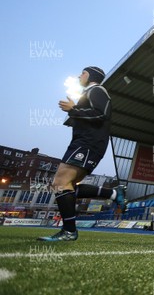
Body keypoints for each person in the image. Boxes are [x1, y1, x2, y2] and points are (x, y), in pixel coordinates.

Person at [38, 67, 125, 242]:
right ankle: (111, 194)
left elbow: (102, 114)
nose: (79, 76)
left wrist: (74, 109)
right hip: (81, 143)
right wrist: (75, 109)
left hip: (89, 144)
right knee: (65, 185)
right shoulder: (89, 92)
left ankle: (69, 231)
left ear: (91, 76)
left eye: (82, 73)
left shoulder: (97, 90)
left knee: (60, 183)